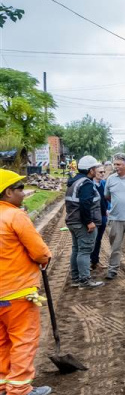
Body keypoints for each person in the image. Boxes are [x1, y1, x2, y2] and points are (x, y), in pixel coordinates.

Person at [0, 169, 53, 395]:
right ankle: (20, 389)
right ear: (8, 192)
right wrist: (44, 259)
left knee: (2, 342)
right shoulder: (15, 216)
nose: (24, 192)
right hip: (18, 292)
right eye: (20, 188)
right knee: (23, 340)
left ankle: (3, 383)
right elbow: (39, 252)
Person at [65, 156, 105, 289]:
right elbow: (85, 204)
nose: (96, 170)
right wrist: (88, 222)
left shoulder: (74, 181)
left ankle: (76, 279)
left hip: (73, 221)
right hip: (82, 223)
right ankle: (84, 281)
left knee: (77, 249)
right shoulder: (86, 183)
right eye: (95, 168)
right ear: (90, 170)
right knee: (85, 251)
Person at [90, 165, 109, 270]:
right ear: (93, 172)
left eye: (103, 172)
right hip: (93, 216)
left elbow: (107, 198)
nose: (102, 174)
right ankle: (89, 261)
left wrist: (108, 209)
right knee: (91, 240)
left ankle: (95, 261)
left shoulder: (104, 184)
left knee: (98, 239)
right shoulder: (89, 185)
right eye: (100, 172)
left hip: (103, 215)